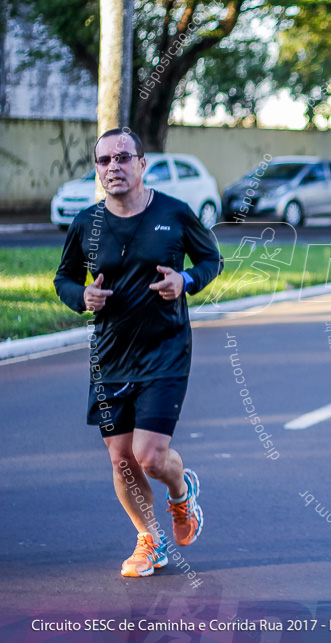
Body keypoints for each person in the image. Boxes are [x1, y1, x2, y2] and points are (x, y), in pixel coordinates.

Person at [53, 128, 223, 577]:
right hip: (109, 355)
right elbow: (64, 278)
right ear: (97, 169)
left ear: (142, 164)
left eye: (123, 158)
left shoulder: (174, 213)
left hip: (165, 349)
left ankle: (180, 490)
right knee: (120, 458)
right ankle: (150, 540)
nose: (114, 167)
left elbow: (211, 260)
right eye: (104, 160)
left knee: (148, 455)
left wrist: (184, 281)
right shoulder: (86, 223)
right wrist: (81, 297)